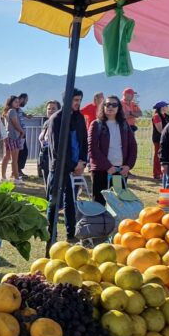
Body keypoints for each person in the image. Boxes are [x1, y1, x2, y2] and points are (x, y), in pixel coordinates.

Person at [45, 88, 88, 243]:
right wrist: (72, 165)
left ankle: (71, 234)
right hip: (59, 168)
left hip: (76, 166)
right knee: (54, 202)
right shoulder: (57, 119)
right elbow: (58, 148)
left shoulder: (79, 118)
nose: (78, 103)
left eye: (79, 100)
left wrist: (83, 161)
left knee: (71, 201)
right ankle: (51, 235)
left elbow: (84, 142)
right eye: (75, 100)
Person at [88, 95, 138, 206]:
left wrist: (128, 166)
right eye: (107, 104)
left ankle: (116, 224)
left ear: (119, 107)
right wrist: (108, 167)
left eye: (114, 104)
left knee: (118, 203)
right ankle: (100, 223)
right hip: (101, 171)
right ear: (103, 107)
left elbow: (133, 146)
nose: (110, 107)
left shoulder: (124, 124)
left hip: (121, 170)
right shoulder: (96, 124)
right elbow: (92, 149)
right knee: (99, 203)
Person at [38, 100, 60, 190]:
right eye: (49, 109)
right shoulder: (46, 123)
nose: (50, 111)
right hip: (44, 155)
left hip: (54, 157)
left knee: (53, 184)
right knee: (47, 183)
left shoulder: (59, 123)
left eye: (53, 109)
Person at [1, 95, 24, 183]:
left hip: (8, 136)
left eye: (18, 102)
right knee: (15, 159)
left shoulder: (8, 111)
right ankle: (16, 178)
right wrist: (22, 131)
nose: (18, 103)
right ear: (11, 103)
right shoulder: (13, 111)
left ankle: (3, 176)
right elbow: (15, 124)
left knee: (6, 157)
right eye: (16, 102)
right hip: (14, 136)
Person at [151, 101, 169, 180]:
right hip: (158, 139)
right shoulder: (156, 116)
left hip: (166, 139)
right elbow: (160, 130)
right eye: (166, 106)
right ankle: (156, 173)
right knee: (158, 156)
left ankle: (163, 173)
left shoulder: (166, 116)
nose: (167, 107)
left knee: (164, 156)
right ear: (162, 107)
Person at [17, 93, 30, 176]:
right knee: (21, 152)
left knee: (23, 152)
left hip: (22, 133)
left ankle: (18, 170)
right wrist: (21, 131)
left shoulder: (19, 109)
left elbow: (22, 113)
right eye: (26, 100)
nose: (26, 102)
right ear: (22, 99)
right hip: (19, 134)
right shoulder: (14, 108)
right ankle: (17, 171)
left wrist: (27, 115)